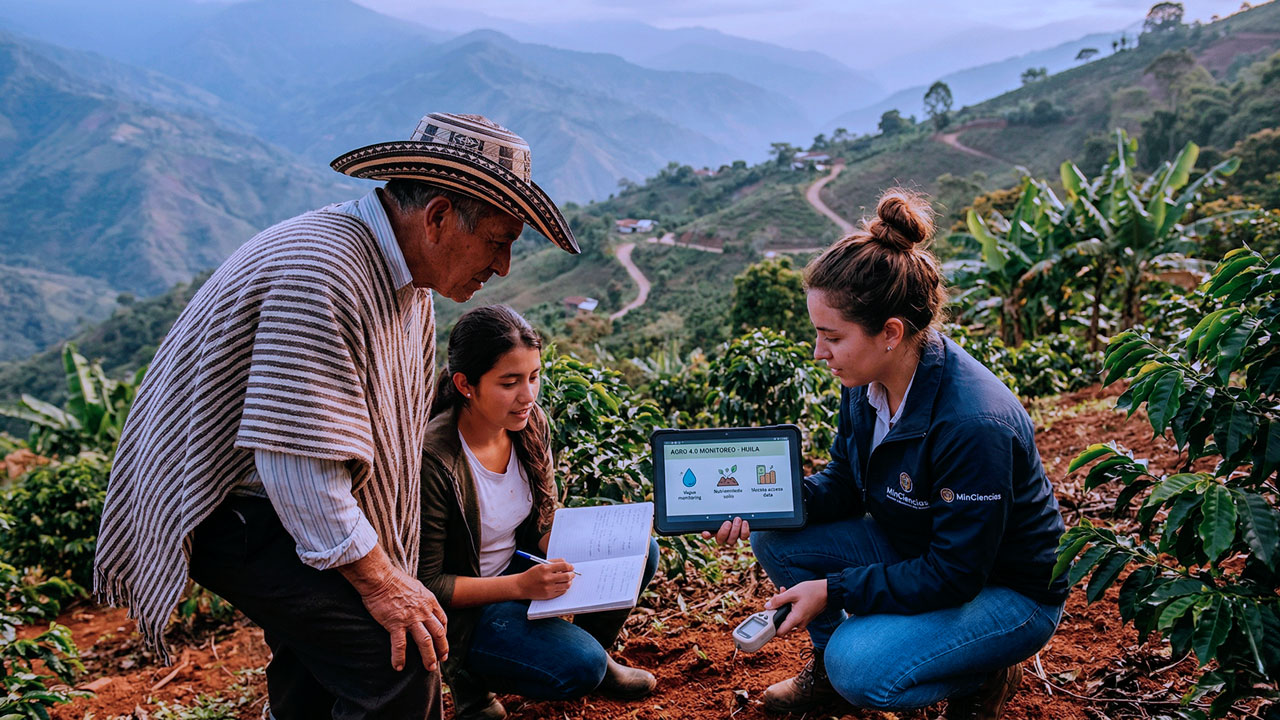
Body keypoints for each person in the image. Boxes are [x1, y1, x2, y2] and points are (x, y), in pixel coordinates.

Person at [94, 113, 580, 720]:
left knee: (323, 658)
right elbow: (298, 468)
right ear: (436, 218)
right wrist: (383, 582)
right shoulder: (322, 275)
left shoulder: (406, 282)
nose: (504, 264)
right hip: (235, 506)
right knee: (394, 658)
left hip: (282, 495)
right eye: (498, 239)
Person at [707, 189, 1069, 719]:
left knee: (863, 667)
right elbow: (846, 484)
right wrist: (763, 499)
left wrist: (833, 590)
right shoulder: (865, 380)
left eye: (831, 336)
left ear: (890, 333)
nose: (818, 352)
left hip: (1005, 589)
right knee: (775, 535)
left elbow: (956, 574)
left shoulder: (971, 424)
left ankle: (981, 672)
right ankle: (832, 672)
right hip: (918, 545)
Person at [418, 305, 659, 719]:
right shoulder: (435, 459)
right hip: (469, 609)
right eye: (509, 382)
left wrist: (601, 537)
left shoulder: (529, 423)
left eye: (533, 376)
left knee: (641, 550)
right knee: (578, 669)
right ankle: (470, 686)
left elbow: (542, 522)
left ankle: (596, 652)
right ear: (466, 385)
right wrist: (521, 587)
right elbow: (429, 584)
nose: (528, 395)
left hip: (519, 566)